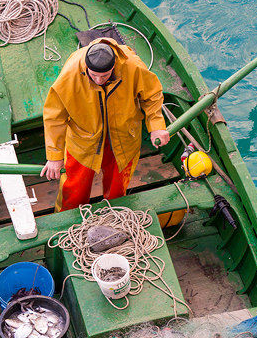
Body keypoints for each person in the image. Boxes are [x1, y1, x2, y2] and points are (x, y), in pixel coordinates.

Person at [41, 39, 170, 211]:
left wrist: (156, 126)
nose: (98, 80)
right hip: (83, 140)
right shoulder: (70, 73)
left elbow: (152, 96)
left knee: (117, 192)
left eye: (104, 75)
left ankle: (114, 218)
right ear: (86, 67)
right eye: (93, 75)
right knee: (73, 192)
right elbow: (54, 116)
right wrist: (54, 156)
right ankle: (67, 223)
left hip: (124, 138)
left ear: (114, 65)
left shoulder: (133, 67)